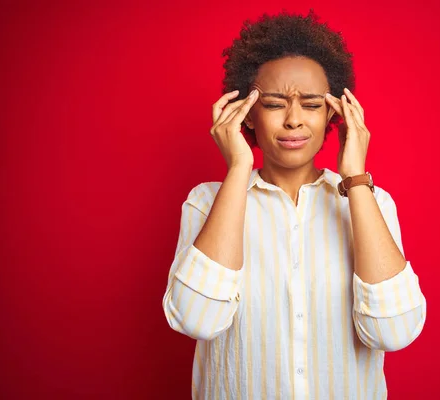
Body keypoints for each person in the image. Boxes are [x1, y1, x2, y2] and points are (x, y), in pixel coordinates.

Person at [162, 9, 426, 399]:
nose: (293, 120)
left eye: (313, 105)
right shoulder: (206, 203)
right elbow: (198, 320)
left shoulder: (371, 204)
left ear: (335, 114)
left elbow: (395, 332)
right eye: (272, 104)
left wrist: (355, 177)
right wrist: (239, 167)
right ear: (246, 114)